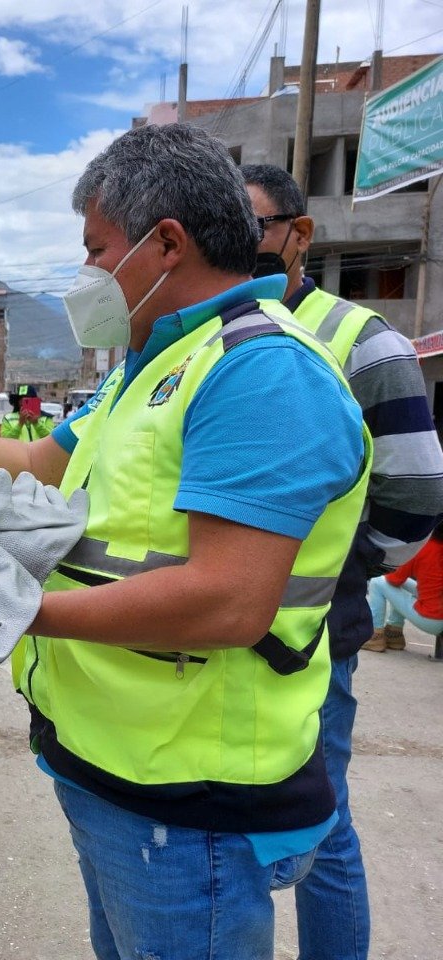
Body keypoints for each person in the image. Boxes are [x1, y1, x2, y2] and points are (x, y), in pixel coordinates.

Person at [0, 123, 370, 959]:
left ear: (166, 244)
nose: (88, 276)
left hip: (189, 797)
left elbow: (229, 599)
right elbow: (36, 460)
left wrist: (28, 611)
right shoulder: (148, 370)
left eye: (97, 250)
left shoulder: (259, 373)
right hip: (113, 768)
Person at [241, 162, 443, 960]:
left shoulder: (359, 339)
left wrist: (332, 574)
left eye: (253, 225)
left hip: (314, 641)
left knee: (320, 831)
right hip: (219, 631)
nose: (239, 242)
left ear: (300, 234)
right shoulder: (203, 336)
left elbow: (416, 498)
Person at [365, 526, 443, 650]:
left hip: (432, 619)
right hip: (438, 613)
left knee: (377, 582)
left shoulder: (425, 546)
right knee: (404, 585)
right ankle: (393, 633)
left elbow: (394, 580)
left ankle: (375, 636)